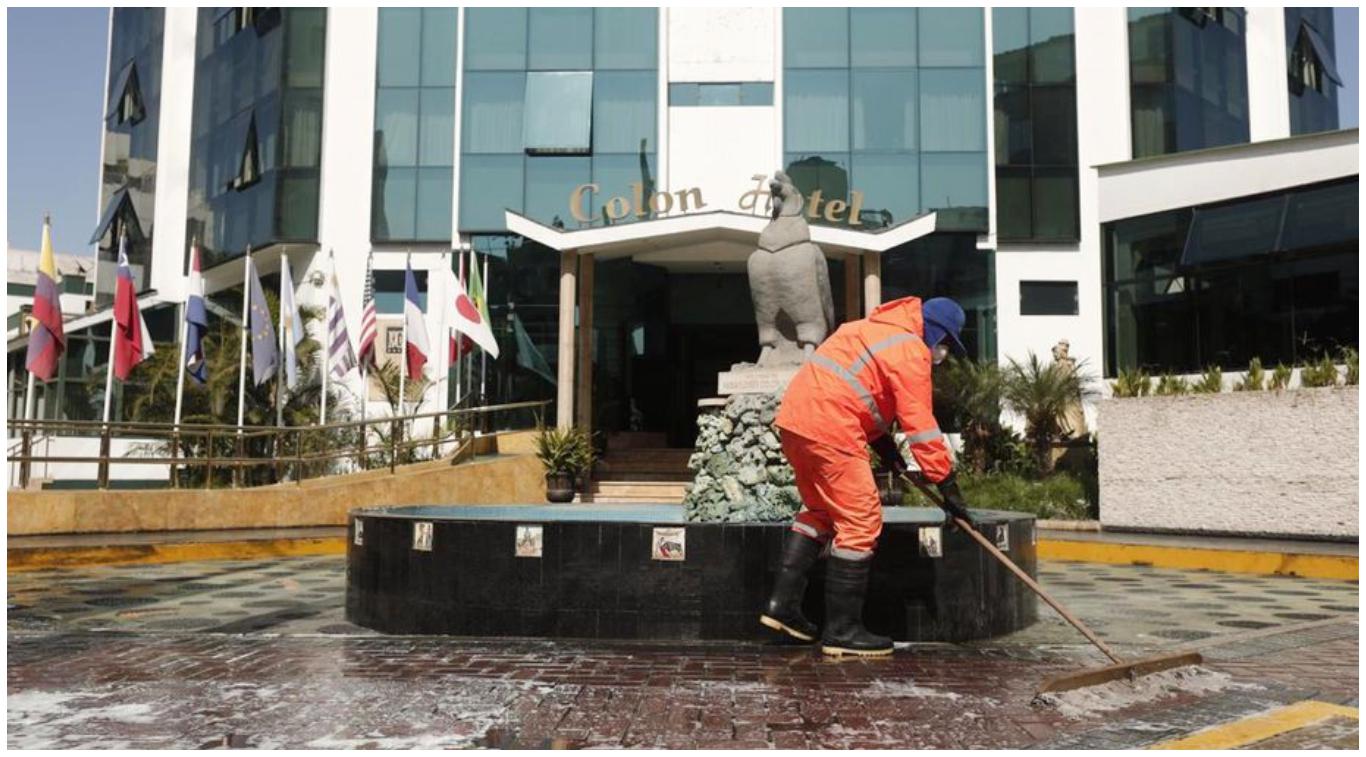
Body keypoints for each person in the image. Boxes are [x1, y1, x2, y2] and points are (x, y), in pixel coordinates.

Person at [759, 296, 974, 657]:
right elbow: (920, 426)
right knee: (862, 520)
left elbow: (859, 391)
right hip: (832, 427)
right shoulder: (910, 350)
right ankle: (842, 630)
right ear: (935, 333)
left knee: (820, 512)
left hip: (796, 421)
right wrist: (948, 487)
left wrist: (886, 449)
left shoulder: (866, 329)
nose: (944, 354)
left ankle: (782, 608)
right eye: (946, 345)